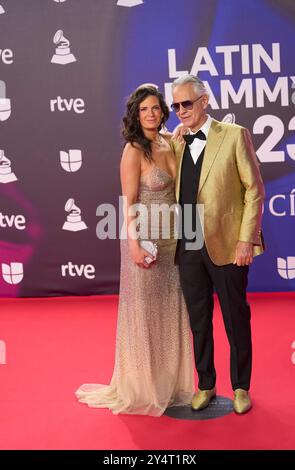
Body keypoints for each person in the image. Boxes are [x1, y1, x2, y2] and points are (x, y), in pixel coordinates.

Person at [75, 85, 194, 416]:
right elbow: (128, 204)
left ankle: (169, 384)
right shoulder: (132, 150)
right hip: (145, 239)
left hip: (174, 239)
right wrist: (135, 245)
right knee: (145, 313)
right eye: (145, 110)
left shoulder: (171, 142)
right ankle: (143, 386)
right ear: (135, 115)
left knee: (171, 310)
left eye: (156, 108)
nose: (151, 114)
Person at [171, 74, 265, 414]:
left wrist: (246, 239)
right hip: (188, 242)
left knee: (235, 318)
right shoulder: (177, 141)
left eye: (187, 103)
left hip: (227, 243)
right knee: (198, 319)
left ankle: (241, 386)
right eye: (175, 105)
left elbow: (254, 190)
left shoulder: (234, 136)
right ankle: (205, 384)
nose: (180, 111)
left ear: (205, 101)